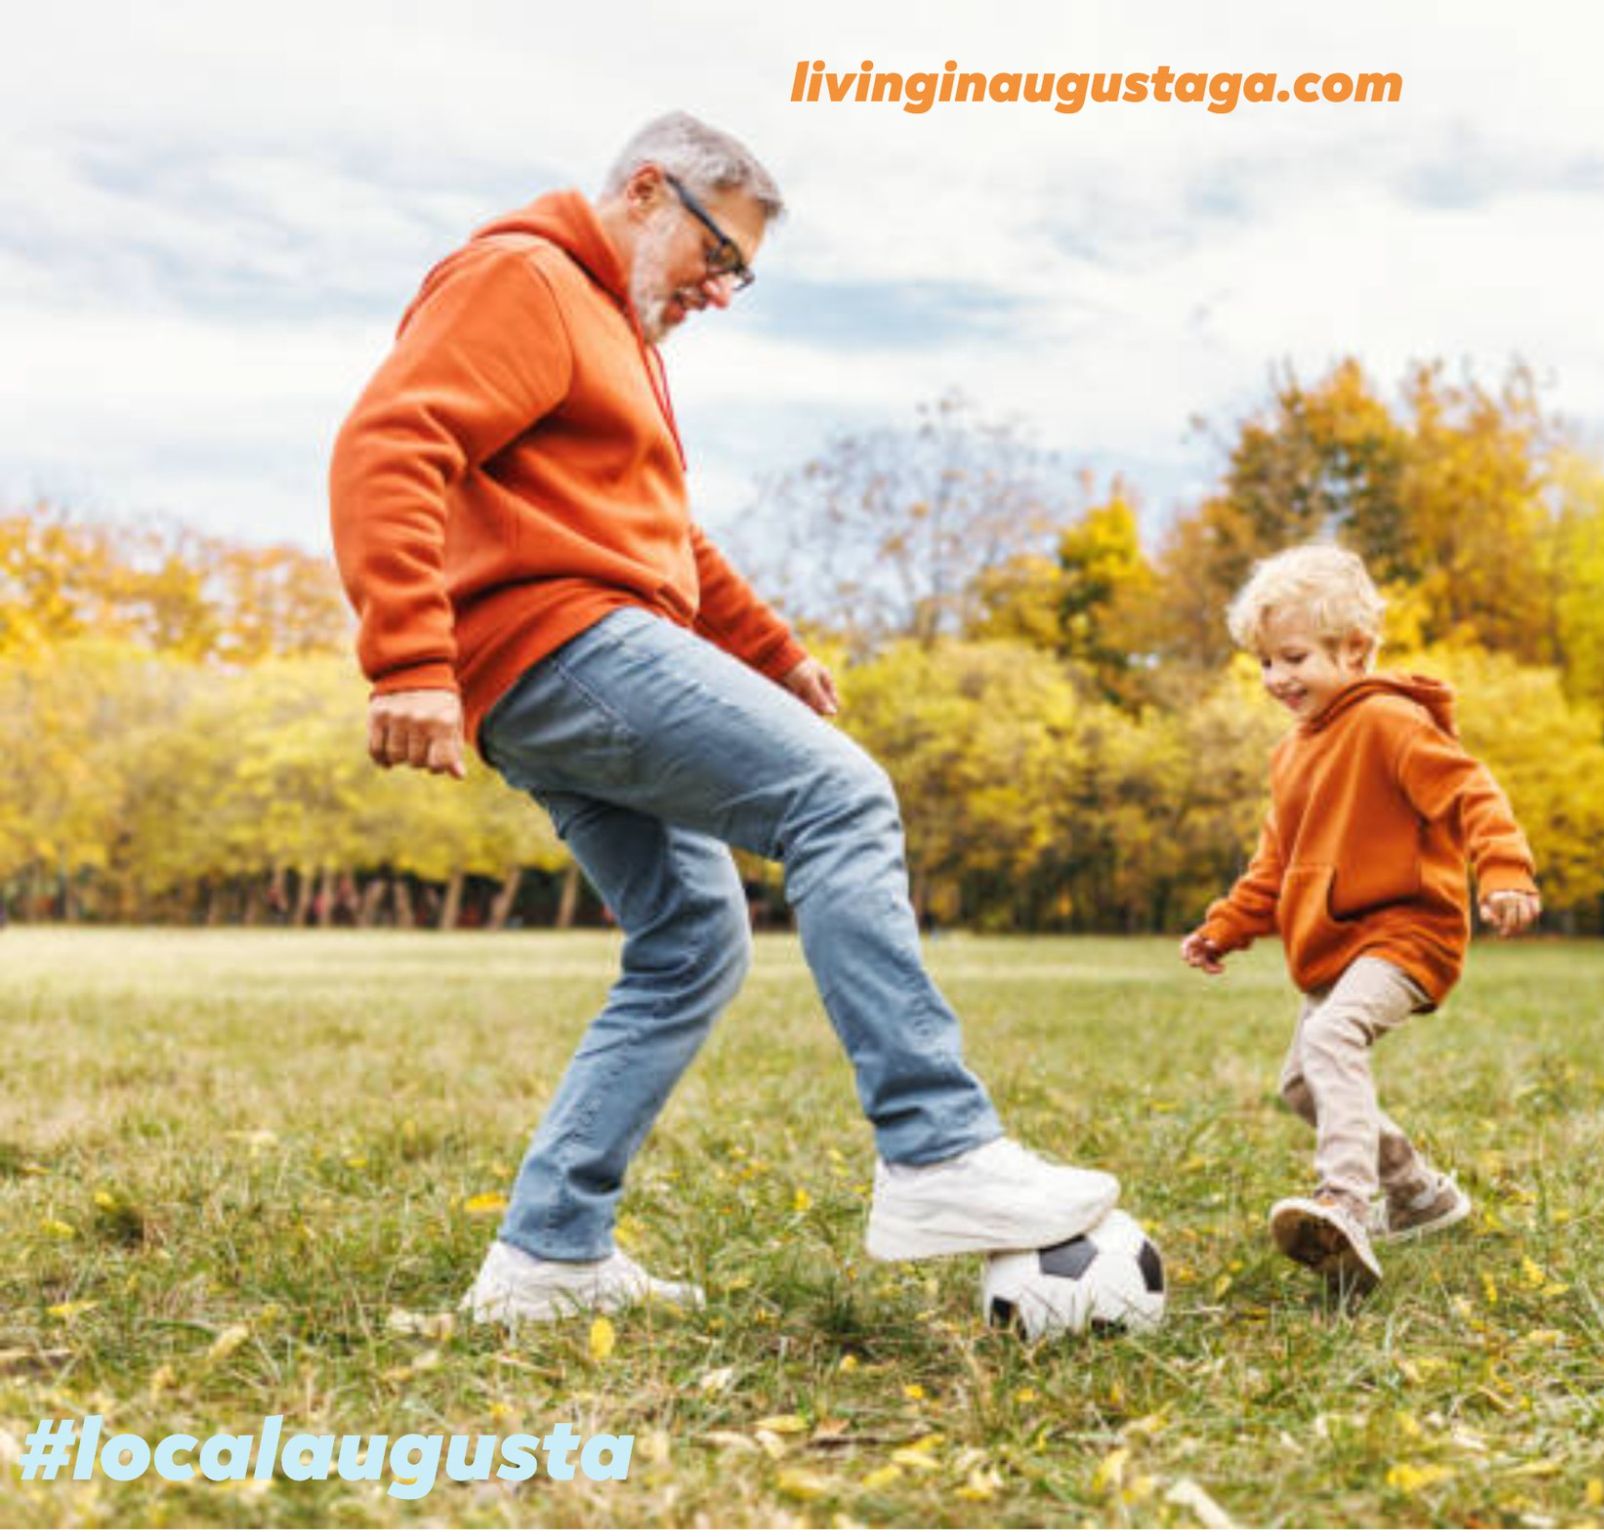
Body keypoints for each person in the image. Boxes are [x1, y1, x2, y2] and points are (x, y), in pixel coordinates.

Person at [329, 112, 1116, 1325]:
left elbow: (662, 536)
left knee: (693, 940)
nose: (720, 290)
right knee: (839, 797)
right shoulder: (526, 278)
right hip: (559, 640)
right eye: (719, 255)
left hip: (564, 655)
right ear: (647, 191)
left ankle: (548, 1257)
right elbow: (390, 444)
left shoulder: (613, 333)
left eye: (740, 274)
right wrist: (406, 661)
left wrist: (770, 650)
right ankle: (937, 1151)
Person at [1179, 544, 1540, 1299]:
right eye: (1265, 662)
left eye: (1294, 658)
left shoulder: (1387, 721)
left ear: (1354, 649)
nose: (1277, 678)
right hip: (1335, 946)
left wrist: (1504, 869)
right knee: (1302, 1083)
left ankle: (1344, 1200)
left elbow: (1471, 791)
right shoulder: (1291, 754)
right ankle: (1418, 1194)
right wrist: (1226, 926)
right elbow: (1275, 862)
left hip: (1406, 933)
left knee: (1331, 1038)